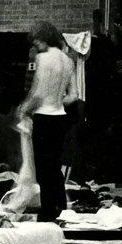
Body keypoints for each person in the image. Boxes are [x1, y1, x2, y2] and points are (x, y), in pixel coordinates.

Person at [16, 21, 77, 222]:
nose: (35, 45)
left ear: (43, 37)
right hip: (60, 117)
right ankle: (61, 207)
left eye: (36, 40)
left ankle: (48, 212)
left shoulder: (43, 58)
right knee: (55, 165)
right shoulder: (68, 60)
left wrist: (24, 108)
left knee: (43, 169)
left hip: (43, 117)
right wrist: (57, 100)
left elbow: (38, 92)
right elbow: (73, 96)